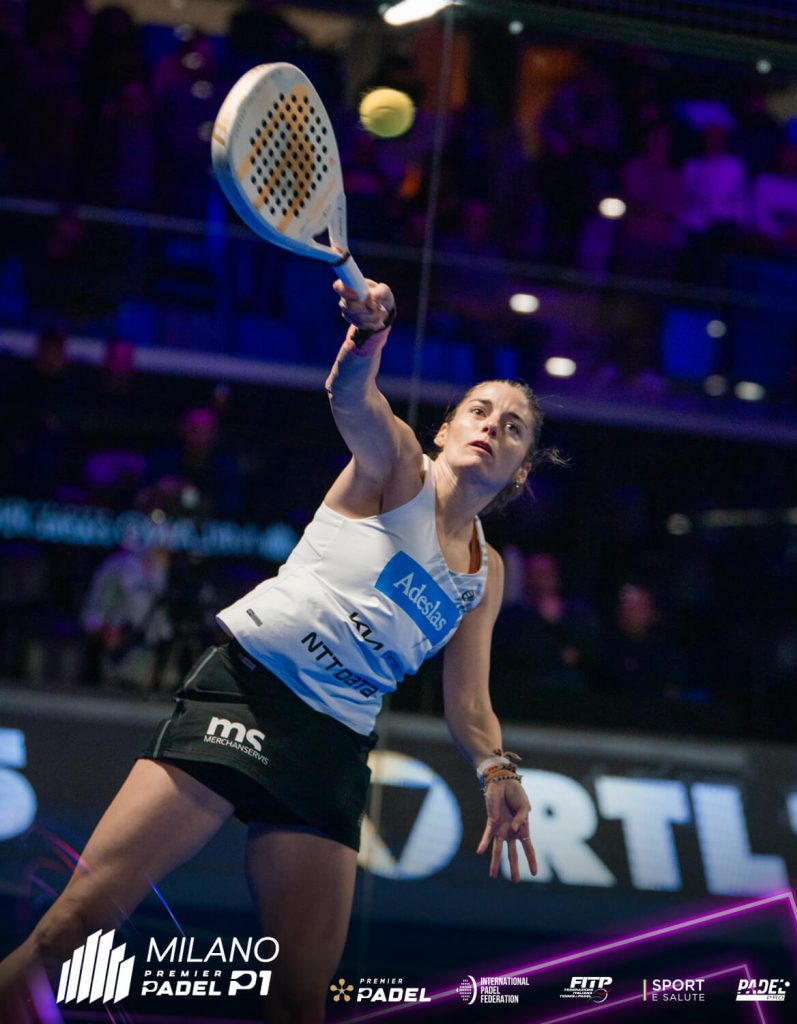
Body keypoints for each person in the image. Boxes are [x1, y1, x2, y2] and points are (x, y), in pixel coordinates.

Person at [0, 278, 547, 1024]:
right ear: (446, 429)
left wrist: (494, 768)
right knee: (73, 926)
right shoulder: (396, 468)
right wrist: (367, 337)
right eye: (479, 410)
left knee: (299, 1002)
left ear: (520, 470)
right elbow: (352, 399)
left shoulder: (487, 574)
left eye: (512, 427)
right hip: (248, 694)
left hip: (331, 747)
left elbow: (470, 702)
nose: (491, 426)